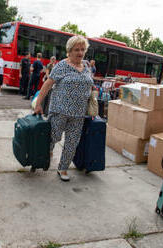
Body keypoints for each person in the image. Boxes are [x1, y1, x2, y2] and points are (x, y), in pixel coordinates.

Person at [34, 35, 94, 181]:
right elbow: (47, 84)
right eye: (76, 50)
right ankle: (44, 157)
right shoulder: (61, 65)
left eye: (82, 49)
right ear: (69, 51)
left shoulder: (86, 66)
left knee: (72, 142)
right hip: (59, 110)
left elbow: (89, 85)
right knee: (53, 137)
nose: (80, 53)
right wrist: (38, 104)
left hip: (79, 113)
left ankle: (63, 168)